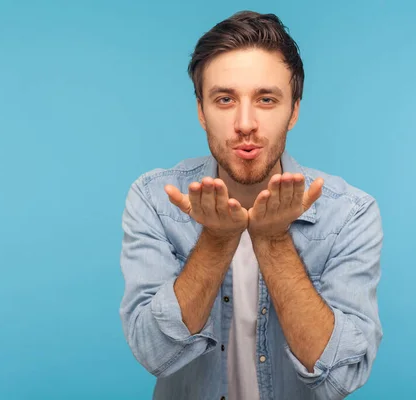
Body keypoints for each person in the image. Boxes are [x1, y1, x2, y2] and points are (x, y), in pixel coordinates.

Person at [119, 10, 384, 400]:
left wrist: (273, 241)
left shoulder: (350, 214)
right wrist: (215, 241)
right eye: (225, 99)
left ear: (293, 110)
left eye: (266, 99)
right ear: (200, 111)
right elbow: (153, 353)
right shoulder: (154, 199)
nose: (245, 123)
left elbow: (340, 378)